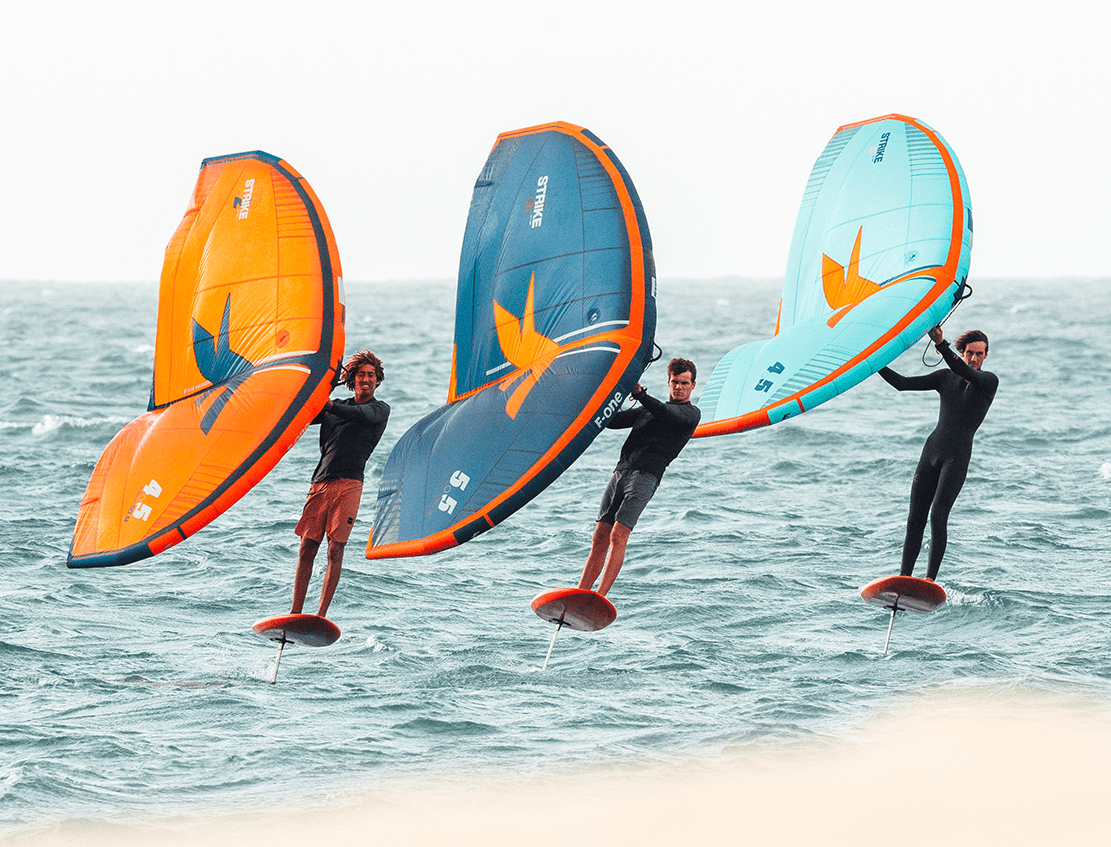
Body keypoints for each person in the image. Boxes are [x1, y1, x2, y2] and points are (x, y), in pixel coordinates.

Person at [878, 326, 998, 581]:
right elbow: (902, 384)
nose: (974, 358)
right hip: (931, 451)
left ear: (986, 355)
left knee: (938, 515)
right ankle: (904, 576)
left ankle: (929, 580)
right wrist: (873, 364)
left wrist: (940, 344)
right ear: (962, 352)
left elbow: (962, 370)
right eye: (969, 353)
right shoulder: (944, 377)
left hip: (957, 456)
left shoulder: (988, 381)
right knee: (915, 517)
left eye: (979, 354)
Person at [578, 357, 701, 597]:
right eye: (675, 382)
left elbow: (665, 413)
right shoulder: (647, 409)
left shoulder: (690, 414)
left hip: (645, 477)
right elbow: (612, 421)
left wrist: (639, 392)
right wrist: (610, 390)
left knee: (618, 534)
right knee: (600, 533)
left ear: (693, 385)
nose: (679, 387)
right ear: (668, 381)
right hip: (621, 472)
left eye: (684, 383)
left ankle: (600, 596)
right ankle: (581, 592)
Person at [292, 349, 390, 617]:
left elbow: (361, 416)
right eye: (361, 375)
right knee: (307, 547)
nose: (366, 379)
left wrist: (330, 405)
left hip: (349, 485)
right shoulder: (333, 407)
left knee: (335, 547)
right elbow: (301, 414)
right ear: (352, 380)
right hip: (320, 483)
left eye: (371, 375)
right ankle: (295, 613)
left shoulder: (379, 409)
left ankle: (320, 616)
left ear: (378, 381)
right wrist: (320, 386)